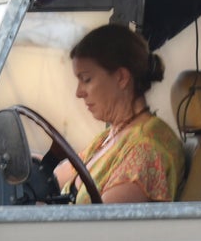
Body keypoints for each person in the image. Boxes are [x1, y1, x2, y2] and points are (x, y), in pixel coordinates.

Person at [57, 25, 183, 204]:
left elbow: (103, 227)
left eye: (86, 79)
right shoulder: (110, 137)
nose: (79, 92)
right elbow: (55, 177)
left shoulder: (145, 150)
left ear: (121, 77)